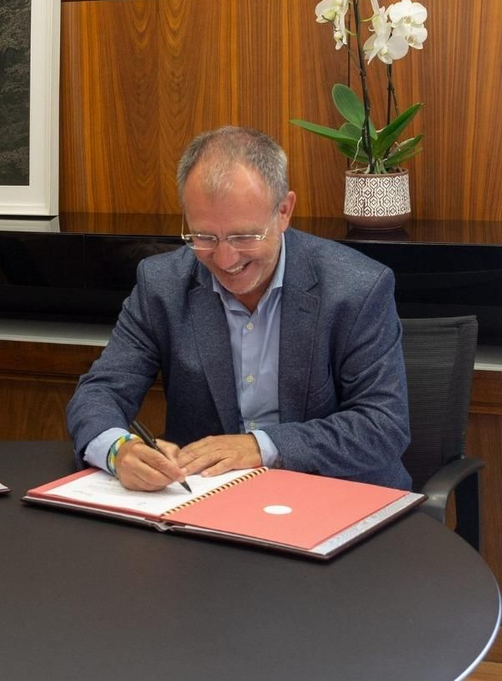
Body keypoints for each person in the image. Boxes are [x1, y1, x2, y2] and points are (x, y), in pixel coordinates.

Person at [65, 126, 411, 491]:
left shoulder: (357, 287)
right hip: (207, 504)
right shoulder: (162, 284)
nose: (226, 259)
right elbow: (99, 392)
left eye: (244, 237)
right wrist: (118, 450)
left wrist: (262, 447)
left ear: (284, 211)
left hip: (333, 496)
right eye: (204, 237)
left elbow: (382, 425)